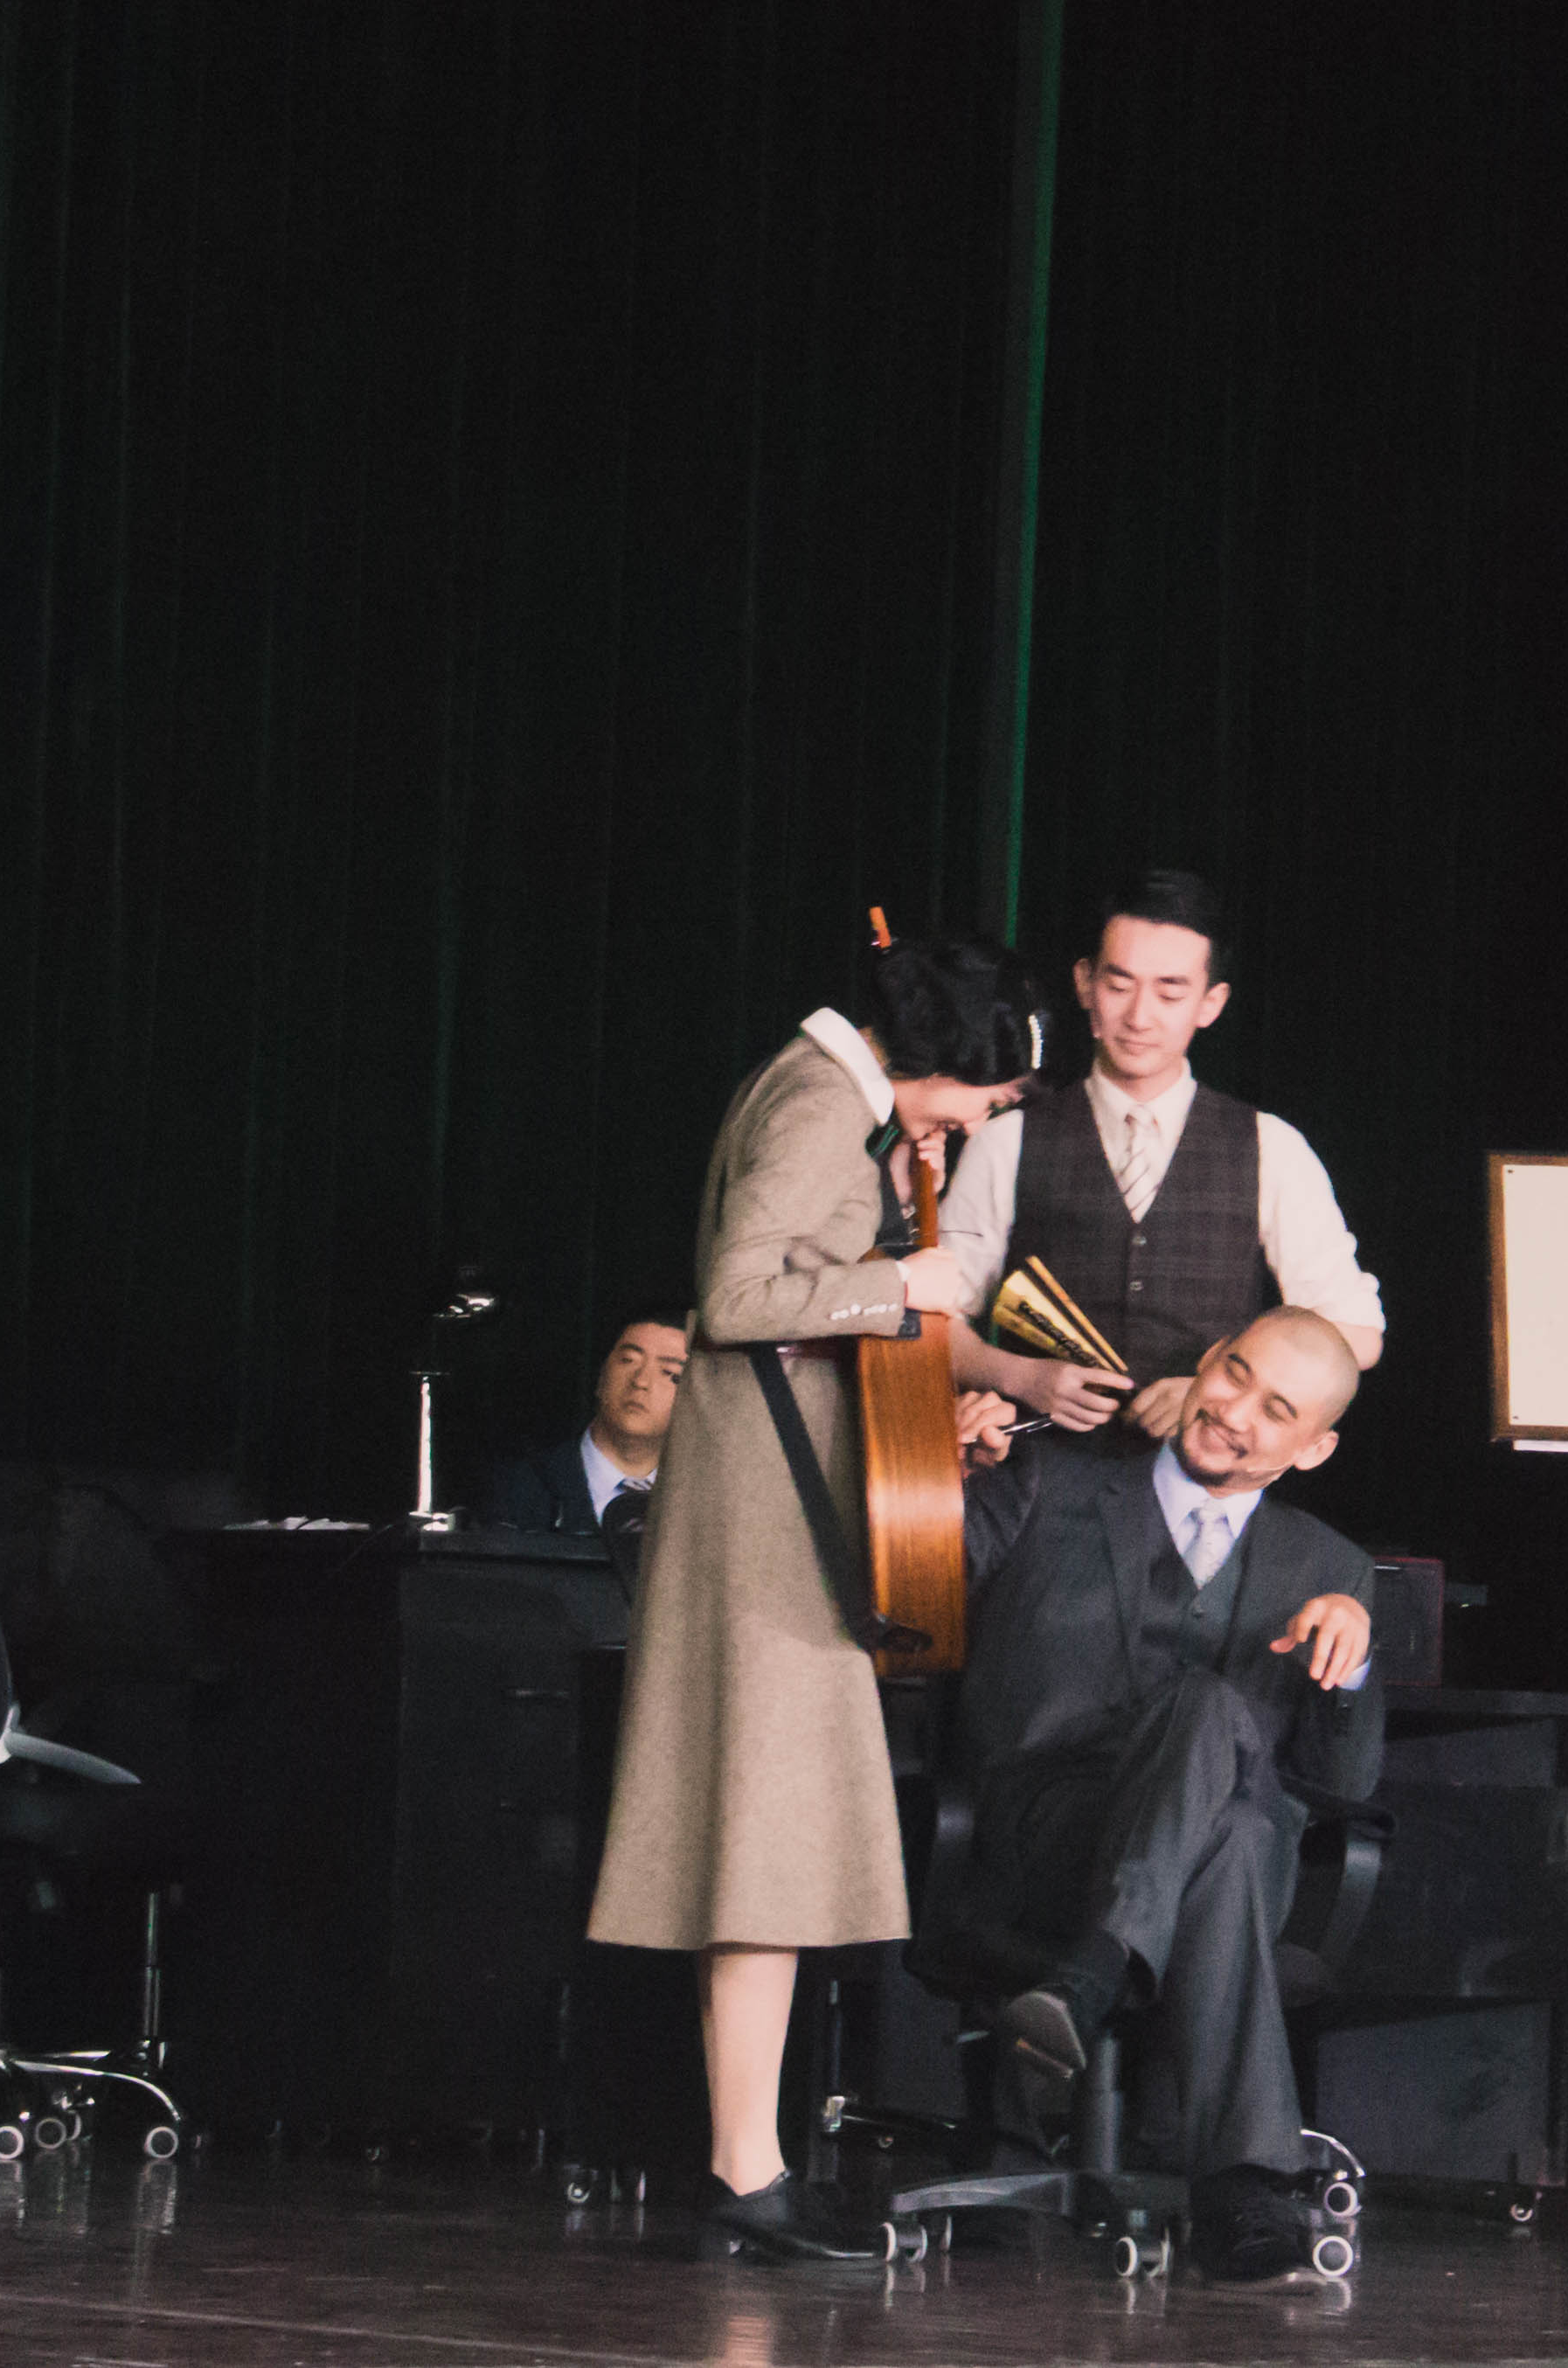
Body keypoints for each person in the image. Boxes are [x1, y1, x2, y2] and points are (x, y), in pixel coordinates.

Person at [586, 932, 1039, 2261]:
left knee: (762, 1840)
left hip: (784, 1508)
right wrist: (903, 1282)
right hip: (763, 1525)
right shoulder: (817, 1098)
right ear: (936, 1057)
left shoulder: (839, 1098)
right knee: (762, 1837)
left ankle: (750, 2157)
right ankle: (746, 2163)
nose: (979, 1119)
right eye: (985, 1093)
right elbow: (733, 1297)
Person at [944, 1309, 1378, 2287]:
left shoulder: (1331, 1566)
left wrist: (1349, 1667)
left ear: (1313, 1448)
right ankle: (1247, 2185)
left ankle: (1093, 1973)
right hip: (1046, 1838)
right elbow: (903, 1593)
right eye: (1234, 1373)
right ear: (1208, 1361)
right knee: (1218, 1766)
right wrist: (943, 1472)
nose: (1234, 1411)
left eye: (1277, 1410)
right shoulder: (1046, 1481)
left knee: (1227, 1789)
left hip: (1219, 1871)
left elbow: (1345, 1785)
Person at [940, 871, 1383, 1439]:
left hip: (1199, 1476)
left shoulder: (1272, 1146)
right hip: (1033, 1471)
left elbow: (1356, 1333)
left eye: (1170, 993)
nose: (1140, 1017)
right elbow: (932, 1319)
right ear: (1084, 983)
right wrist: (1019, 1375)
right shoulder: (1006, 1140)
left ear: (1211, 1003)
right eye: (1119, 985)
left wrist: (1215, 1391)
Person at [489, 1311, 690, 1541]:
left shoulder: (704, 1503)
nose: (641, 1381)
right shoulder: (516, 1486)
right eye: (628, 1360)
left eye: (669, 1373)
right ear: (601, 1374)